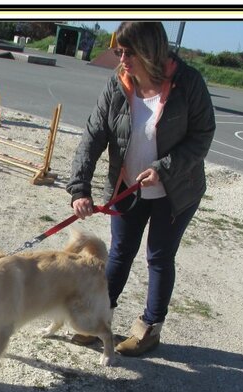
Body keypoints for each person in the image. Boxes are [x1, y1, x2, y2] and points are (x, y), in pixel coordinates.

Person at [66, 21, 215, 357]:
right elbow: (93, 136)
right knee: (120, 251)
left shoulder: (188, 82)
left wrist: (164, 169)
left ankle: (150, 327)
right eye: (118, 50)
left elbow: (203, 136)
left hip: (175, 190)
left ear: (150, 49)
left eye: (128, 51)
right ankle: (100, 318)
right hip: (128, 188)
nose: (121, 58)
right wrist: (80, 188)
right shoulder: (118, 84)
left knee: (159, 256)